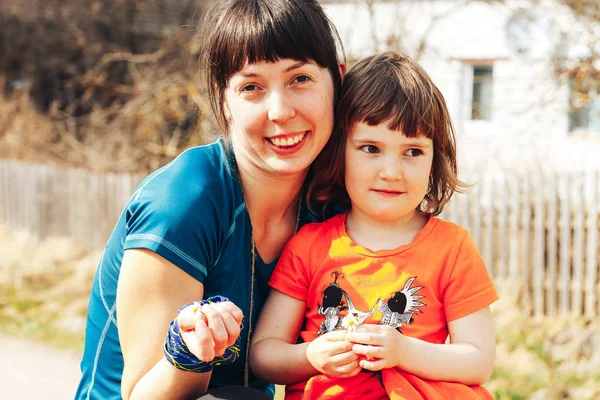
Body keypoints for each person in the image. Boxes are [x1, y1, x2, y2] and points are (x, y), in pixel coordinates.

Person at [74, 1, 345, 399]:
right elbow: (142, 395)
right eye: (251, 87)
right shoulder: (183, 203)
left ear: (337, 81)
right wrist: (190, 354)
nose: (280, 111)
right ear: (223, 101)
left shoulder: (334, 205)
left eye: (300, 79)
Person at [249, 51, 499, 400]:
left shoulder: (452, 248)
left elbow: (478, 360)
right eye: (371, 148)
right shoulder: (309, 246)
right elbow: (263, 355)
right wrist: (311, 356)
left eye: (412, 152)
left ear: (434, 159)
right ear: (339, 151)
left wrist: (403, 351)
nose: (392, 172)